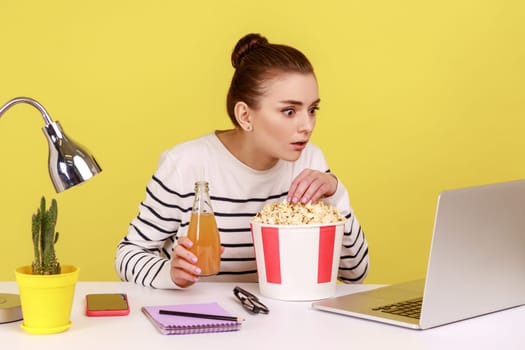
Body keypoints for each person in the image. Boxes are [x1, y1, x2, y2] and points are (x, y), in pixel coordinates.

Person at [115, 33, 369, 289]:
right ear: (245, 115)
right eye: (289, 111)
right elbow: (128, 254)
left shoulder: (309, 161)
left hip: (281, 320)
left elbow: (355, 273)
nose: (307, 126)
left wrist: (335, 193)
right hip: (199, 319)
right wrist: (169, 273)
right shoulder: (186, 165)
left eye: (312, 110)